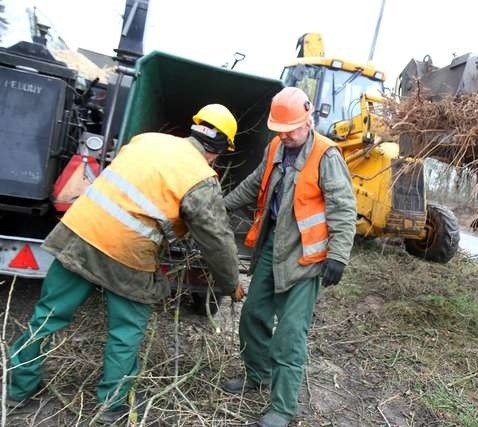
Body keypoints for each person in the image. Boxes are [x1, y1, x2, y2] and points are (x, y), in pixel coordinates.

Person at [7, 104, 243, 423]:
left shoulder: (147, 140)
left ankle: (18, 388)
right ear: (218, 151)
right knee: (126, 329)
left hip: (80, 231)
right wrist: (231, 283)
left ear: (196, 129)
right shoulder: (202, 179)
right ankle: (112, 404)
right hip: (126, 251)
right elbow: (217, 239)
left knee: (47, 315)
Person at [222, 87, 357, 427]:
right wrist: (219, 206)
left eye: (294, 128)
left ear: (309, 119)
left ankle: (282, 408)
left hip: (307, 257)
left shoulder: (326, 155)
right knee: (252, 315)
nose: (288, 135)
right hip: (272, 248)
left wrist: (338, 255)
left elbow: (343, 207)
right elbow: (255, 184)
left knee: (290, 335)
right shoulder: (276, 147)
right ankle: (258, 377)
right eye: (282, 130)